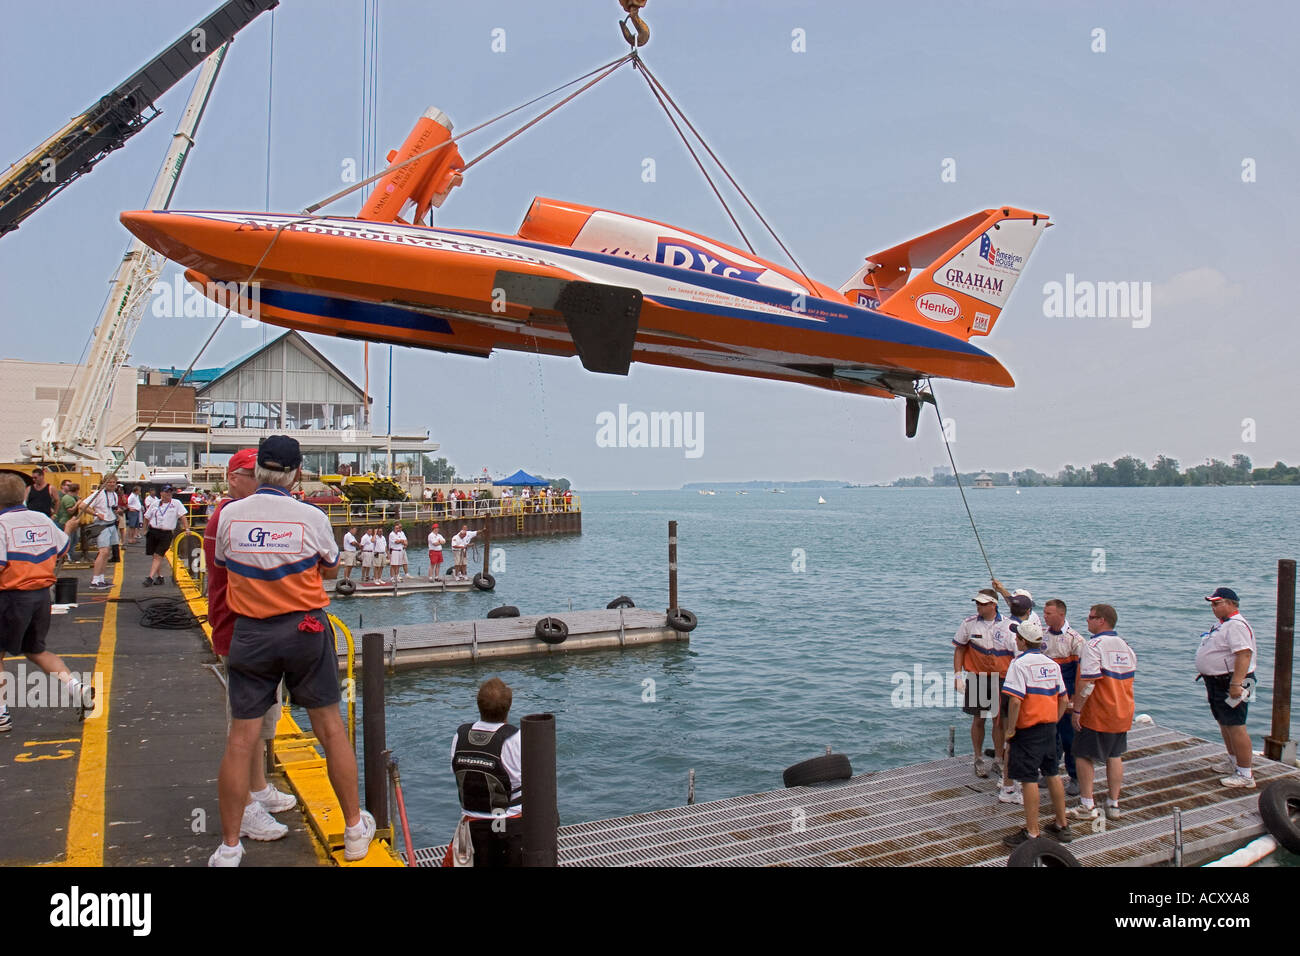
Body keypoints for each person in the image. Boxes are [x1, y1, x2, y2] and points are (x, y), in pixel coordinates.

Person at [209, 436, 373, 866]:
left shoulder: (230, 516)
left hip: (251, 633)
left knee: (240, 740)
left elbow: (224, 565)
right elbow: (332, 564)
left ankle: (229, 847)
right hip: (303, 629)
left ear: (257, 470)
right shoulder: (310, 516)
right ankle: (355, 829)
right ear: (296, 472)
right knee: (331, 729)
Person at [202, 449, 297, 842]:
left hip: (259, 632)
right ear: (234, 478)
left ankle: (257, 787)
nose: (260, 482)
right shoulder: (228, 519)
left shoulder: (241, 517)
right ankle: (241, 809)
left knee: (264, 719)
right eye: (251, 474)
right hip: (241, 630)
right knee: (243, 726)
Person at [0, 473, 95, 733]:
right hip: (42, 596)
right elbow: (63, 548)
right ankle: (76, 687)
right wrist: (68, 529)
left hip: (10, 597)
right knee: (37, 650)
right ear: (23, 495)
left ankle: (1, 714)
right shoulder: (41, 519)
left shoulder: (1, 525)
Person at [1001, 620, 1072, 848]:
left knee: (1028, 778)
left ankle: (1032, 832)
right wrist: (1055, 719)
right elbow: (1064, 699)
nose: (1015, 640)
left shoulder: (1018, 664)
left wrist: (1011, 729)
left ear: (1022, 641)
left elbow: (1015, 700)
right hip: (1049, 728)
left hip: (1028, 729)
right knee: (1052, 773)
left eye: (1017, 637)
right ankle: (1062, 824)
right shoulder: (1052, 664)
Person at [446, 677, 523, 867]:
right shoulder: (516, 738)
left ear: (479, 705)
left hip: (471, 827)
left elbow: (455, 770)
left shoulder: (460, 735)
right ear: (508, 706)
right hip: (509, 824)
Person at [1070, 603, 1136, 822]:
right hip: (1122, 709)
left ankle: (1087, 803)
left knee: (1082, 754)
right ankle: (1113, 802)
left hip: (1098, 711)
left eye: (1090, 617)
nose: (1087, 620)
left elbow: (1088, 681)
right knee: (1114, 755)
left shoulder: (1093, 645)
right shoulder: (1125, 646)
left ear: (1102, 620)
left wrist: (1077, 709)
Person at [1196, 587, 1258, 789]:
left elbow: (1244, 654)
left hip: (1233, 681)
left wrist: (1236, 683)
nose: (1213, 608)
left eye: (1217, 603)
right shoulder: (1223, 625)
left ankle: (1245, 773)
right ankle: (1233, 760)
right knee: (1224, 722)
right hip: (1217, 681)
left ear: (1231, 603)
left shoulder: (1236, 626)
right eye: (1212, 604)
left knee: (1236, 725)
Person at [952, 588, 1005, 779]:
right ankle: (978, 758)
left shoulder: (1008, 625)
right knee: (979, 719)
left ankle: (999, 759)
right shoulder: (969, 624)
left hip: (1001, 678)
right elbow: (959, 649)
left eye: (983, 603)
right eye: (977, 603)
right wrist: (958, 676)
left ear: (993, 605)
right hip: (978, 677)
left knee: (999, 721)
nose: (979, 606)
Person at [992, 593, 1034, 804]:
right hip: (1013, 685)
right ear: (1028, 612)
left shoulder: (999, 625)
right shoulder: (1017, 632)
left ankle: (1006, 779)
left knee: (1005, 727)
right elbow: (1022, 658)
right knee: (1015, 733)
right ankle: (1010, 782)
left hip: (1000, 680)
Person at [1042, 598, 1087, 797]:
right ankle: (1049, 771)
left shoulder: (1075, 639)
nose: (1044, 616)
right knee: (1049, 736)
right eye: (1044, 612)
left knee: (1069, 739)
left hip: (1067, 694)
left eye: (1049, 613)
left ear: (1061, 614)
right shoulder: (1041, 636)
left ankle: (1075, 776)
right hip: (1046, 694)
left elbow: (1082, 672)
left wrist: (1076, 698)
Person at [76, 475, 122, 591]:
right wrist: (96, 514)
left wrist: (117, 513)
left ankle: (101, 579)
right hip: (102, 526)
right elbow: (82, 505)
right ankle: (95, 580)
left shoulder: (114, 495)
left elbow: (112, 508)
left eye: (113, 482)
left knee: (107, 553)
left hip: (111, 524)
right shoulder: (99, 493)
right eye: (109, 482)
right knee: (103, 552)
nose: (111, 484)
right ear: (104, 482)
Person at [142, 484, 189, 586]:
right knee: (155, 555)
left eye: (170, 492)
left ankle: (150, 577)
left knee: (158, 555)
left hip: (166, 533)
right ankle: (160, 577)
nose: (169, 494)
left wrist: (187, 528)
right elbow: (146, 517)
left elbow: (183, 516)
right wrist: (144, 529)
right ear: (161, 493)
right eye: (166, 492)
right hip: (153, 531)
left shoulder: (176, 503)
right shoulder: (155, 503)